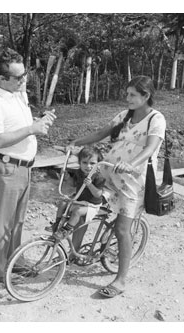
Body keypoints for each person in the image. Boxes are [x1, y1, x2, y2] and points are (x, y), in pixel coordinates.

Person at [68, 76, 165, 298]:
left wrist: (130, 164)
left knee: (122, 230)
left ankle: (120, 280)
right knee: (80, 206)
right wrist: (76, 143)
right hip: (107, 175)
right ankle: (75, 253)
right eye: (127, 93)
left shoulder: (156, 119)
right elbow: (100, 134)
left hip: (132, 182)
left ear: (145, 96)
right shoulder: (124, 116)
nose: (127, 98)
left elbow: (150, 149)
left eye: (132, 94)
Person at [0, 48, 57, 283]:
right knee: (3, 223)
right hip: (7, 169)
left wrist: (37, 122)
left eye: (24, 74)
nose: (24, 80)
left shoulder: (16, 96)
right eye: (18, 77)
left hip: (22, 168)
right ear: (2, 79)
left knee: (17, 221)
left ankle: (13, 260)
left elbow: (17, 128)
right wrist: (31, 129)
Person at [51, 146, 106, 240]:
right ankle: (57, 224)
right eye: (84, 162)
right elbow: (73, 184)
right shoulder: (79, 172)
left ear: (98, 164)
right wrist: (67, 178)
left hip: (91, 204)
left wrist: (90, 185)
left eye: (92, 163)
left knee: (77, 211)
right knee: (62, 202)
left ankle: (65, 230)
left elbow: (98, 194)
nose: (88, 166)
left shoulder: (98, 176)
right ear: (79, 163)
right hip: (79, 199)